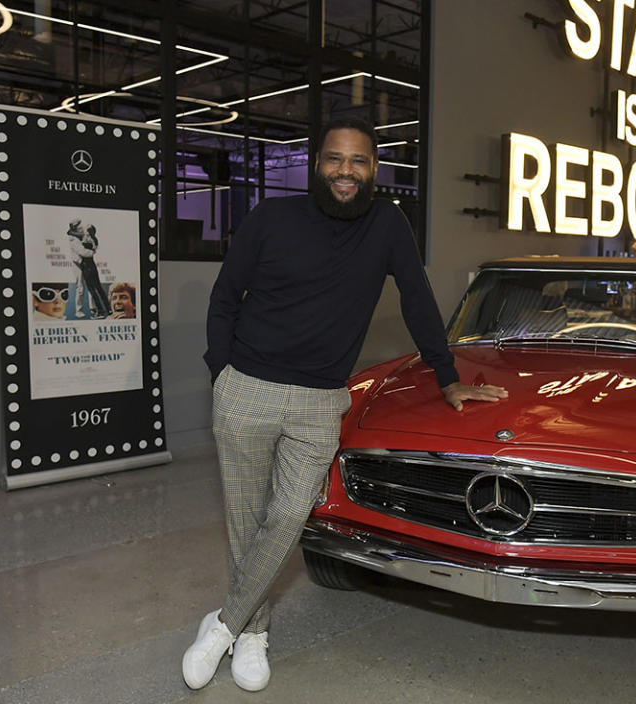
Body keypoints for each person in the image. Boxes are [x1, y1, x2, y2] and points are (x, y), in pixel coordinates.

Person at [185, 117, 508, 693]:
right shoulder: (271, 218)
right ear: (317, 163)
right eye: (335, 159)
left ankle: (225, 623)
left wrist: (448, 376)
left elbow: (417, 298)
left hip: (318, 400)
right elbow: (225, 296)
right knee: (244, 520)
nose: (345, 171)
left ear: (374, 170)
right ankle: (254, 631)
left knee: (287, 517)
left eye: (358, 161)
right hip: (246, 390)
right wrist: (222, 373)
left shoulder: (387, 225)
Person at [67, 220, 110, 318]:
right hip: (79, 264)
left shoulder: (84, 236)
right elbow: (82, 252)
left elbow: (91, 245)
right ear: (75, 228)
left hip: (87, 264)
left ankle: (94, 309)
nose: (82, 228)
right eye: (79, 227)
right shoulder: (73, 238)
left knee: (92, 288)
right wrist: (92, 252)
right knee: (81, 287)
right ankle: (79, 310)